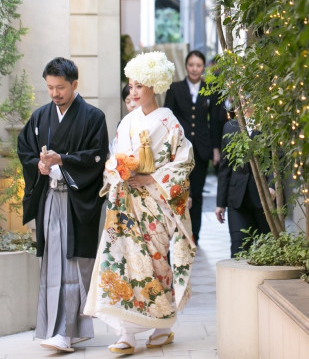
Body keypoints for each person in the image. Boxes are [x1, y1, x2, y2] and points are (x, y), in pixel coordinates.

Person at [84, 51, 196, 355]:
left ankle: (162, 325)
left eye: (139, 86)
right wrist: (118, 169)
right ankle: (126, 333)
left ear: (154, 86)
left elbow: (183, 163)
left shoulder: (170, 122)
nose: (133, 92)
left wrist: (151, 179)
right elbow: (113, 159)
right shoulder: (127, 122)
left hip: (155, 204)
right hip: (126, 203)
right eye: (131, 86)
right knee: (120, 263)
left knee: (155, 266)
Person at [17, 57, 109, 353]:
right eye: (50, 88)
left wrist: (63, 161)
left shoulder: (93, 117)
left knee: (73, 265)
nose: (55, 94)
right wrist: (39, 166)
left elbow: (97, 156)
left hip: (76, 200)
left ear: (75, 85)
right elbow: (25, 149)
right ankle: (59, 328)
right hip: (49, 198)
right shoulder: (41, 116)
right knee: (52, 266)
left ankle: (66, 332)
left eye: (60, 88)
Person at [164, 50, 222, 243]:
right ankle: (177, 233)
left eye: (198, 65)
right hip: (180, 150)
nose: (195, 69)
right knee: (179, 191)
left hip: (202, 150)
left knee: (196, 194)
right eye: (191, 65)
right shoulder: (175, 89)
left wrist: (215, 149)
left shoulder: (210, 89)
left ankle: (193, 235)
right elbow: (168, 119)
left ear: (203, 67)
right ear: (186, 66)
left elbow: (214, 122)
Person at [215, 104, 272, 257]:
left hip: (264, 197)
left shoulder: (269, 124)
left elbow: (278, 159)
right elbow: (225, 166)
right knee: (238, 247)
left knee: (266, 247)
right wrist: (220, 203)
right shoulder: (229, 126)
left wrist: (272, 186)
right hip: (237, 198)